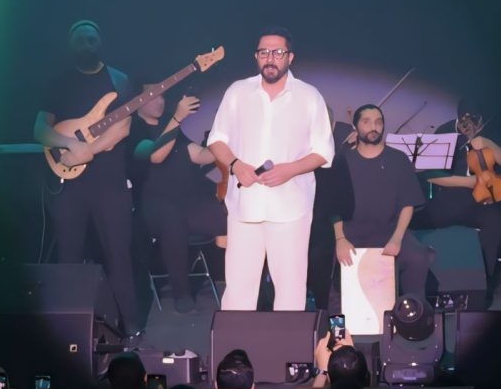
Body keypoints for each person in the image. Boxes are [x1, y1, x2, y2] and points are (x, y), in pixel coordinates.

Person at [207, 27, 335, 313]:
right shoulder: (238, 91)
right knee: (239, 288)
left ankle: (288, 343)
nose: (270, 58)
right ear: (256, 56)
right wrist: (235, 164)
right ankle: (235, 342)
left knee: (290, 288)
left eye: (277, 52)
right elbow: (216, 139)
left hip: (291, 205)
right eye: (264, 52)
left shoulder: (309, 96)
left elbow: (323, 151)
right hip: (245, 204)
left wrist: (290, 169)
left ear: (290, 57)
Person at [33, 20, 142, 339]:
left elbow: (122, 128)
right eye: (81, 40)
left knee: (118, 255)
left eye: (92, 39)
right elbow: (40, 129)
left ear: (100, 42)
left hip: (111, 184)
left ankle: (131, 326)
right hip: (70, 187)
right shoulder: (59, 82)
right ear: (71, 45)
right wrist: (69, 144)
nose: (87, 45)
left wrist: (86, 151)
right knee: (69, 255)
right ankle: (70, 327)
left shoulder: (119, 80)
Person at [332, 104, 431, 342]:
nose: (373, 127)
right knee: (329, 270)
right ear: (356, 127)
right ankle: (337, 334)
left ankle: (412, 326)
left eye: (378, 121)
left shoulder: (398, 159)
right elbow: (333, 205)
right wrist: (340, 239)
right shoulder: (342, 159)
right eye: (366, 121)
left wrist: (397, 239)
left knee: (418, 258)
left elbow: (408, 203)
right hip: (350, 233)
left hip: (389, 231)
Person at [131, 89, 223, 312]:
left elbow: (200, 155)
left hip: (189, 203)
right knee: (172, 219)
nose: (160, 101)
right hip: (155, 208)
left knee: (232, 215)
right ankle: (181, 293)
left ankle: (258, 288)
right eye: (153, 96)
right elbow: (155, 155)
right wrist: (177, 117)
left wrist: (223, 139)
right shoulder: (134, 129)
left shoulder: (170, 126)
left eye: (162, 96)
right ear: (138, 101)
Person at [422, 110, 501, 293]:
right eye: (464, 122)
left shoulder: (492, 131)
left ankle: (485, 281)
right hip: (451, 196)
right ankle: (430, 278)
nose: (470, 127)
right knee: (417, 217)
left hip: (484, 198)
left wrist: (488, 143)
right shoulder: (444, 131)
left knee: (495, 220)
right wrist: (468, 182)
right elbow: (431, 175)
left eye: (476, 121)